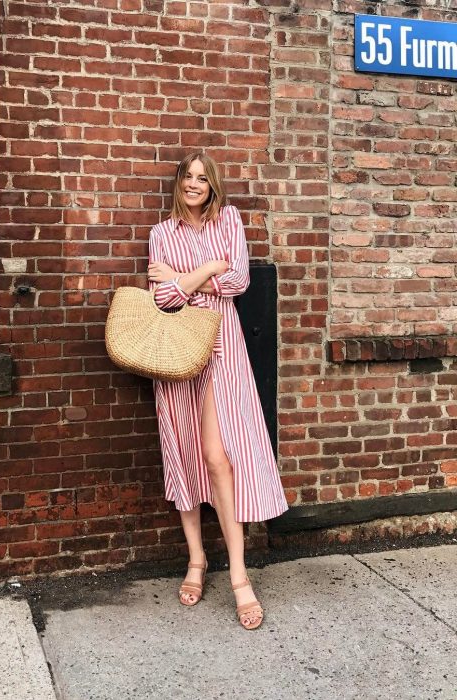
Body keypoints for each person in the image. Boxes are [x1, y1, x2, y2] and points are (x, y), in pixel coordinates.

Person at [147, 152, 288, 630]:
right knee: (184, 452)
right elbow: (162, 297)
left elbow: (241, 280)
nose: (194, 184)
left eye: (203, 178)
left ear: (213, 186)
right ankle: (196, 559)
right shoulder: (161, 233)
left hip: (221, 350)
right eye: (188, 176)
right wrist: (207, 270)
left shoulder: (229, 219)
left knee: (217, 455)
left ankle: (240, 577)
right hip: (173, 354)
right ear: (179, 182)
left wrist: (186, 278)